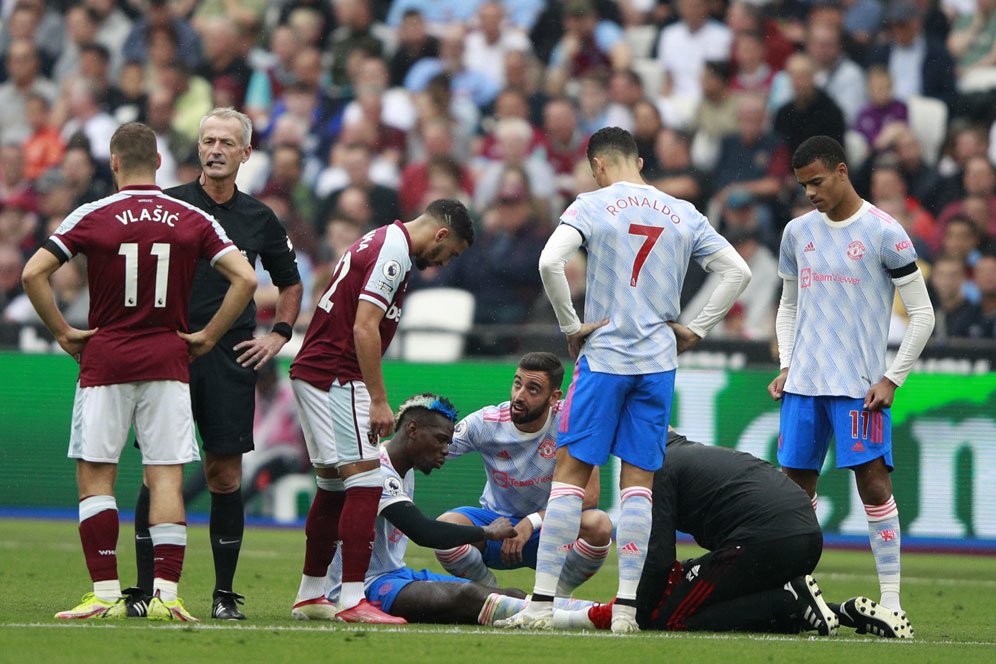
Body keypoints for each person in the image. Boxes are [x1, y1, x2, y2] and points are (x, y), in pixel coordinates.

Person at [498, 127, 751, 633]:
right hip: (657, 364)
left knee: (570, 478)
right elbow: (737, 271)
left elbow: (550, 261)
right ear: (638, 161)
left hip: (606, 356)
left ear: (597, 166)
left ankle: (542, 605)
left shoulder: (591, 205)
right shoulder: (683, 212)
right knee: (638, 486)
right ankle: (627, 611)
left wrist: (571, 326)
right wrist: (697, 329)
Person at [21, 122, 256, 621]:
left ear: (112, 162)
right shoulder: (189, 216)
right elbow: (246, 277)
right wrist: (209, 336)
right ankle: (167, 596)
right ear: (157, 163)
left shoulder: (93, 214)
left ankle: (105, 593)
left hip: (106, 358)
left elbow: (32, 273)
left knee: (96, 478)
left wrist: (63, 331)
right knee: (166, 479)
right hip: (168, 360)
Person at [131, 108, 304, 621]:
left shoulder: (259, 218)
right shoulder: (170, 205)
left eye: (227, 142)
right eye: (208, 140)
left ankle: (224, 595)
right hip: (170, 350)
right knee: (158, 472)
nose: (215, 149)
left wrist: (279, 334)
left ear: (246, 153)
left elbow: (289, 282)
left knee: (225, 475)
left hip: (230, 353)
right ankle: (145, 590)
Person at [768, 136, 935, 632]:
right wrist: (787, 363)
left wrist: (893, 378)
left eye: (817, 182)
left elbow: (923, 315)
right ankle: (798, 590)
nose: (810, 193)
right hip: (804, 384)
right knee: (795, 492)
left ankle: (892, 601)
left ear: (842, 171)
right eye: (803, 185)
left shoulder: (886, 233)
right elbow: (789, 304)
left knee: (873, 484)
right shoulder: (798, 232)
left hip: (859, 385)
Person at [289, 199, 474, 623]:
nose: (444, 263)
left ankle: (311, 594)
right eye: (452, 253)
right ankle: (353, 599)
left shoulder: (382, 240)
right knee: (367, 481)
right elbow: (364, 325)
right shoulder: (393, 251)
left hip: (316, 369)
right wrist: (377, 397)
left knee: (333, 486)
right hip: (337, 374)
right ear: (441, 234)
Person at [554, 430, 913, 638]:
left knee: (672, 616)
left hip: (763, 541)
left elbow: (658, 561)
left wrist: (631, 611)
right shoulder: (690, 453)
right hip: (805, 539)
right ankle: (840, 612)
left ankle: (789, 602)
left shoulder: (656, 467)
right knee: (711, 596)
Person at [434, 353, 613, 594]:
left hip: (551, 531)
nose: (519, 395)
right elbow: (432, 449)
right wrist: (388, 452)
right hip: (495, 527)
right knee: (445, 528)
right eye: (517, 383)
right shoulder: (487, 423)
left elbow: (589, 497)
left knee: (600, 525)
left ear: (554, 397)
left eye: (533, 389)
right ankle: (491, 594)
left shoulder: (571, 423)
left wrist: (532, 522)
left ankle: (555, 595)